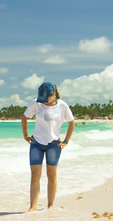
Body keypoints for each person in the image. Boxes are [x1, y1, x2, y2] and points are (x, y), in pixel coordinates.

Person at [21, 82, 75, 211]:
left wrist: (66, 141)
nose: (43, 101)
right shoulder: (37, 103)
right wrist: (26, 135)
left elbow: (71, 123)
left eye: (45, 98)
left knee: (52, 175)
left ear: (53, 94)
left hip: (54, 145)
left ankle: (50, 205)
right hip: (36, 144)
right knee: (35, 176)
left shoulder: (62, 105)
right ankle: (33, 207)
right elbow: (24, 118)